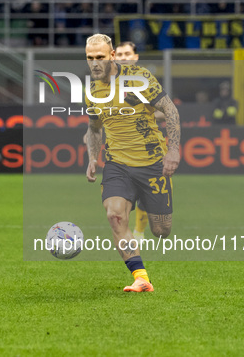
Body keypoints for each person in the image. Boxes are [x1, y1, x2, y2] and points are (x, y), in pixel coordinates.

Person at [84, 34, 181, 293]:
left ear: (112, 56)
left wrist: (173, 151)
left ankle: (144, 200)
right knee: (115, 215)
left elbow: (170, 110)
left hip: (152, 162)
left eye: (100, 57)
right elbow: (94, 129)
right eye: (90, 58)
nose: (95, 64)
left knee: (161, 230)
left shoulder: (139, 77)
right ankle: (141, 277)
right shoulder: (92, 91)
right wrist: (93, 157)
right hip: (117, 164)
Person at [113, 41, 164, 244]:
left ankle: (139, 231)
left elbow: (163, 111)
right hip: (120, 146)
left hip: (146, 144)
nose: (123, 57)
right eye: (119, 54)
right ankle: (127, 233)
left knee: (146, 193)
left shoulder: (146, 81)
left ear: (135, 57)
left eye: (128, 54)